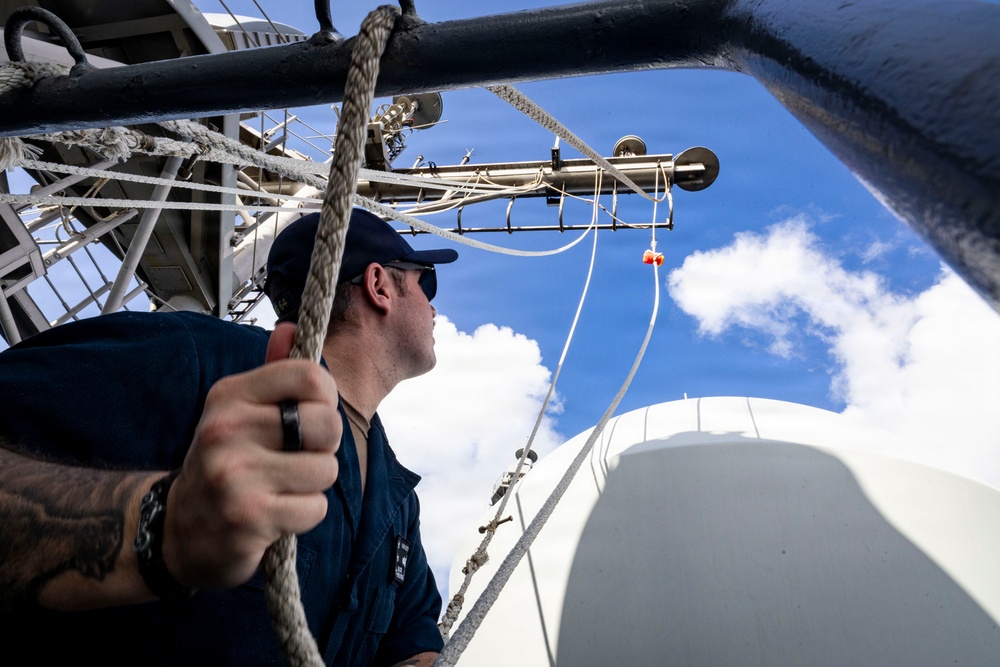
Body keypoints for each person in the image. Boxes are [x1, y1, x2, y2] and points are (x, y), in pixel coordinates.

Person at [0, 207, 458, 666]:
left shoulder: (399, 503)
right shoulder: (198, 359)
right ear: (379, 286)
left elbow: (411, 642)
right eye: (424, 282)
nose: (433, 305)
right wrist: (160, 526)